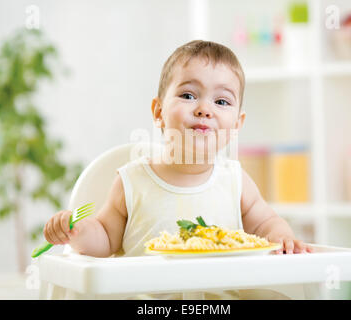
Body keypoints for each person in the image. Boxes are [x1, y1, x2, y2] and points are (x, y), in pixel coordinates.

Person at [43, 40, 313, 299]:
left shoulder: (235, 181)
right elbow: (104, 238)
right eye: (188, 95)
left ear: (237, 125)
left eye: (221, 102)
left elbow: (266, 223)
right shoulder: (133, 181)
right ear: (158, 111)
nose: (204, 109)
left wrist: (282, 237)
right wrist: (77, 232)